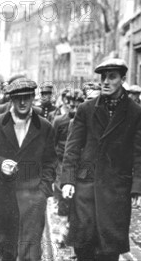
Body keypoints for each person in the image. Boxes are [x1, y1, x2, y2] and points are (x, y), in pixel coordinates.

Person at [61, 58, 141, 261]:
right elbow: (72, 147)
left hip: (116, 188)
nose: (105, 81)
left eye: (112, 76)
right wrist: (68, 179)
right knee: (83, 244)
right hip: (86, 186)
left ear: (122, 79)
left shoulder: (137, 114)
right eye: (103, 77)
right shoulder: (86, 109)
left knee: (109, 249)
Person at [0, 78, 57, 261]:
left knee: (30, 253)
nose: (22, 103)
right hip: (3, 196)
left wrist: (43, 191)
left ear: (33, 97)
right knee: (7, 252)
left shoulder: (44, 126)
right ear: (11, 99)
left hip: (32, 198)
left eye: (26, 97)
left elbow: (50, 162)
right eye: (17, 98)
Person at [53, 89, 84, 219]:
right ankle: (62, 224)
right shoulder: (59, 121)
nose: (74, 109)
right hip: (61, 161)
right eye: (71, 105)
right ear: (66, 103)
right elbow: (51, 143)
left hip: (79, 161)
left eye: (77, 106)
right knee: (62, 189)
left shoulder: (84, 122)